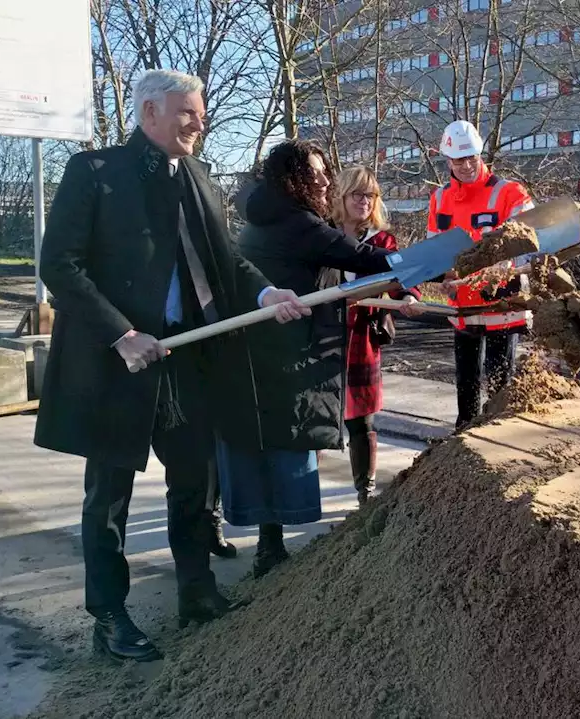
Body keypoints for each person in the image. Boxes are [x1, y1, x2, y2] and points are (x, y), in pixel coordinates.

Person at [34, 69, 309, 662]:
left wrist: (268, 295)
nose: (199, 122)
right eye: (187, 112)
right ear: (149, 112)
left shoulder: (201, 179)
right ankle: (108, 616)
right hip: (118, 365)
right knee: (108, 498)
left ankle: (197, 592)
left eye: (201, 113)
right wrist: (121, 334)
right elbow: (60, 266)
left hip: (188, 357)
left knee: (193, 484)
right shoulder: (96, 174)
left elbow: (228, 262)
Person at [218, 140, 417, 579]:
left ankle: (265, 543)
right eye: (315, 173)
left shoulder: (268, 212)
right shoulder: (296, 223)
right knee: (278, 444)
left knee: (267, 442)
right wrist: (438, 259)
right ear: (292, 180)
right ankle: (269, 550)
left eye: (325, 171)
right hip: (281, 351)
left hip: (267, 348)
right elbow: (366, 258)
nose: (326, 179)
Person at [427, 120, 536, 428]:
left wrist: (507, 260)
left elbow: (532, 239)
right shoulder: (439, 199)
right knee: (466, 379)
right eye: (458, 159)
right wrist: (443, 276)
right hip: (463, 301)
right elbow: (436, 248)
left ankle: (499, 433)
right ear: (447, 160)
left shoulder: (509, 193)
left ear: (481, 153)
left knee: (500, 377)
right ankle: (464, 432)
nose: (466, 165)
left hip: (501, 300)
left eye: (471, 156)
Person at [332, 166, 422, 506]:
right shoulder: (325, 233)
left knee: (361, 417)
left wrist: (409, 297)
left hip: (362, 335)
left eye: (371, 196)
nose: (365, 202)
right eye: (358, 194)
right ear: (342, 196)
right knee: (319, 413)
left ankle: (364, 494)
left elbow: (400, 274)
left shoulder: (382, 240)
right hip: (325, 333)